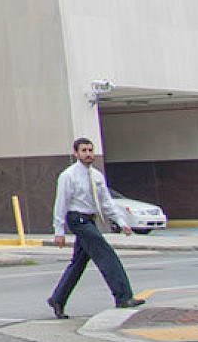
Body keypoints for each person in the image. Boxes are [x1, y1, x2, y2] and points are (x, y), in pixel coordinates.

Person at [47, 136, 143, 319]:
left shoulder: (97, 176)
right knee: (106, 253)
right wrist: (58, 231)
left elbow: (106, 202)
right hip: (77, 220)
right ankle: (123, 296)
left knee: (78, 263)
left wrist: (121, 222)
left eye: (90, 150)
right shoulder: (68, 176)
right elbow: (61, 203)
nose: (88, 154)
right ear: (76, 153)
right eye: (84, 151)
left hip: (90, 220)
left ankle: (58, 299)